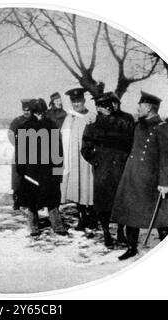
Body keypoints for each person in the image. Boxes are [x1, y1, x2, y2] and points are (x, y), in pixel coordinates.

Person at [111, 91, 168, 260]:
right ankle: (131, 247)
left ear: (149, 108)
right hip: (133, 177)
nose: (137, 108)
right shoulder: (138, 125)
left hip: (152, 181)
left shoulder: (163, 128)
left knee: (160, 218)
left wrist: (166, 182)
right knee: (130, 214)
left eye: (140, 106)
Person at [82, 92, 135, 248]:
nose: (106, 108)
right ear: (97, 107)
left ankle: (120, 230)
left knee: (122, 201)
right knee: (103, 202)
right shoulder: (92, 123)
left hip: (121, 167)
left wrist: (126, 159)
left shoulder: (126, 119)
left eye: (108, 104)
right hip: (102, 169)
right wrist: (96, 160)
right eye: (101, 105)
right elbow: (85, 148)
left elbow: (132, 140)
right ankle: (106, 232)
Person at [17, 99, 67, 236]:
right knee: (32, 200)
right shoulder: (24, 128)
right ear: (32, 113)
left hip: (49, 170)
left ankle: (57, 225)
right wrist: (22, 171)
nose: (39, 116)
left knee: (52, 198)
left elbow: (58, 152)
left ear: (45, 112)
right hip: (31, 171)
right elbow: (20, 153)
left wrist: (58, 172)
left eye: (42, 113)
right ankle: (33, 225)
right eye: (36, 113)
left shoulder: (52, 127)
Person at [61, 88, 96, 230]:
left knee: (90, 186)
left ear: (84, 101)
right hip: (74, 159)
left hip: (88, 159)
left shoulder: (92, 116)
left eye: (79, 101)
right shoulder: (69, 118)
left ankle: (92, 217)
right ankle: (82, 217)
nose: (76, 104)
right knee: (78, 187)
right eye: (74, 102)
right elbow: (64, 138)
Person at [8, 99, 33, 210]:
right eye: (24, 110)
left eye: (28, 110)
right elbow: (10, 133)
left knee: (30, 177)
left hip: (32, 153)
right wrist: (17, 144)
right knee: (17, 176)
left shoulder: (34, 120)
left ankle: (28, 200)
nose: (26, 112)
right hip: (19, 152)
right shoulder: (17, 121)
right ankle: (17, 199)